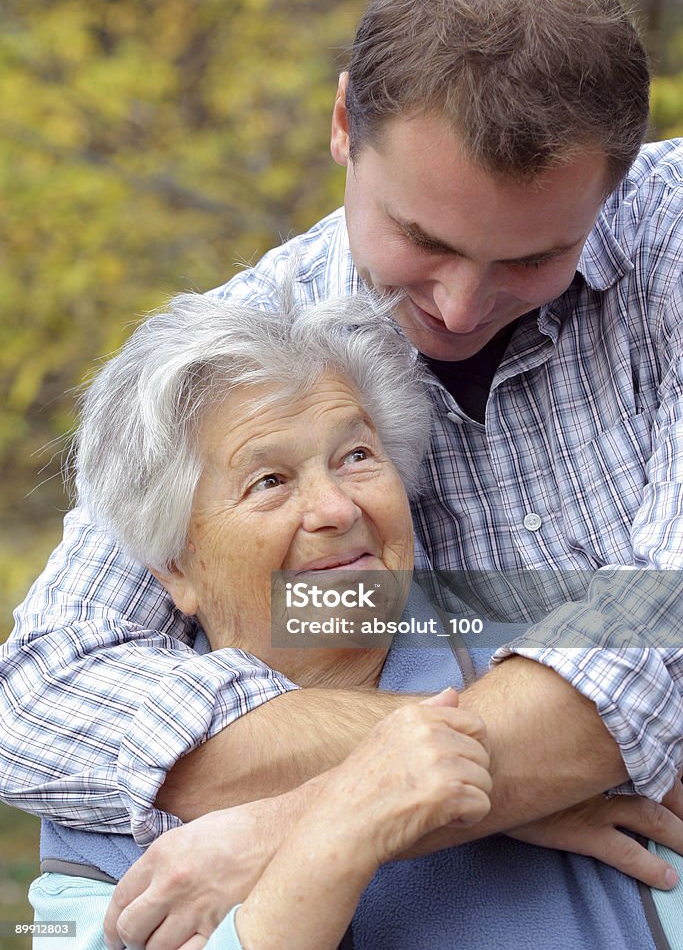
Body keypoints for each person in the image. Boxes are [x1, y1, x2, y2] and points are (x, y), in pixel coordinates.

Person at [2, 0, 683, 940]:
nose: (458, 305)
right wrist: (472, 778)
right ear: (339, 125)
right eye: (421, 240)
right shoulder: (247, 362)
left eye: (532, 257)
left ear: (613, 183)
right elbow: (43, 694)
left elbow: (662, 636)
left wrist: (287, 817)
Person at [28, 289, 683, 950]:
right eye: (269, 481)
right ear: (175, 569)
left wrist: (300, 818)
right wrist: (344, 827)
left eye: (357, 457)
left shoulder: (558, 683)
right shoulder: (103, 818)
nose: (334, 508)